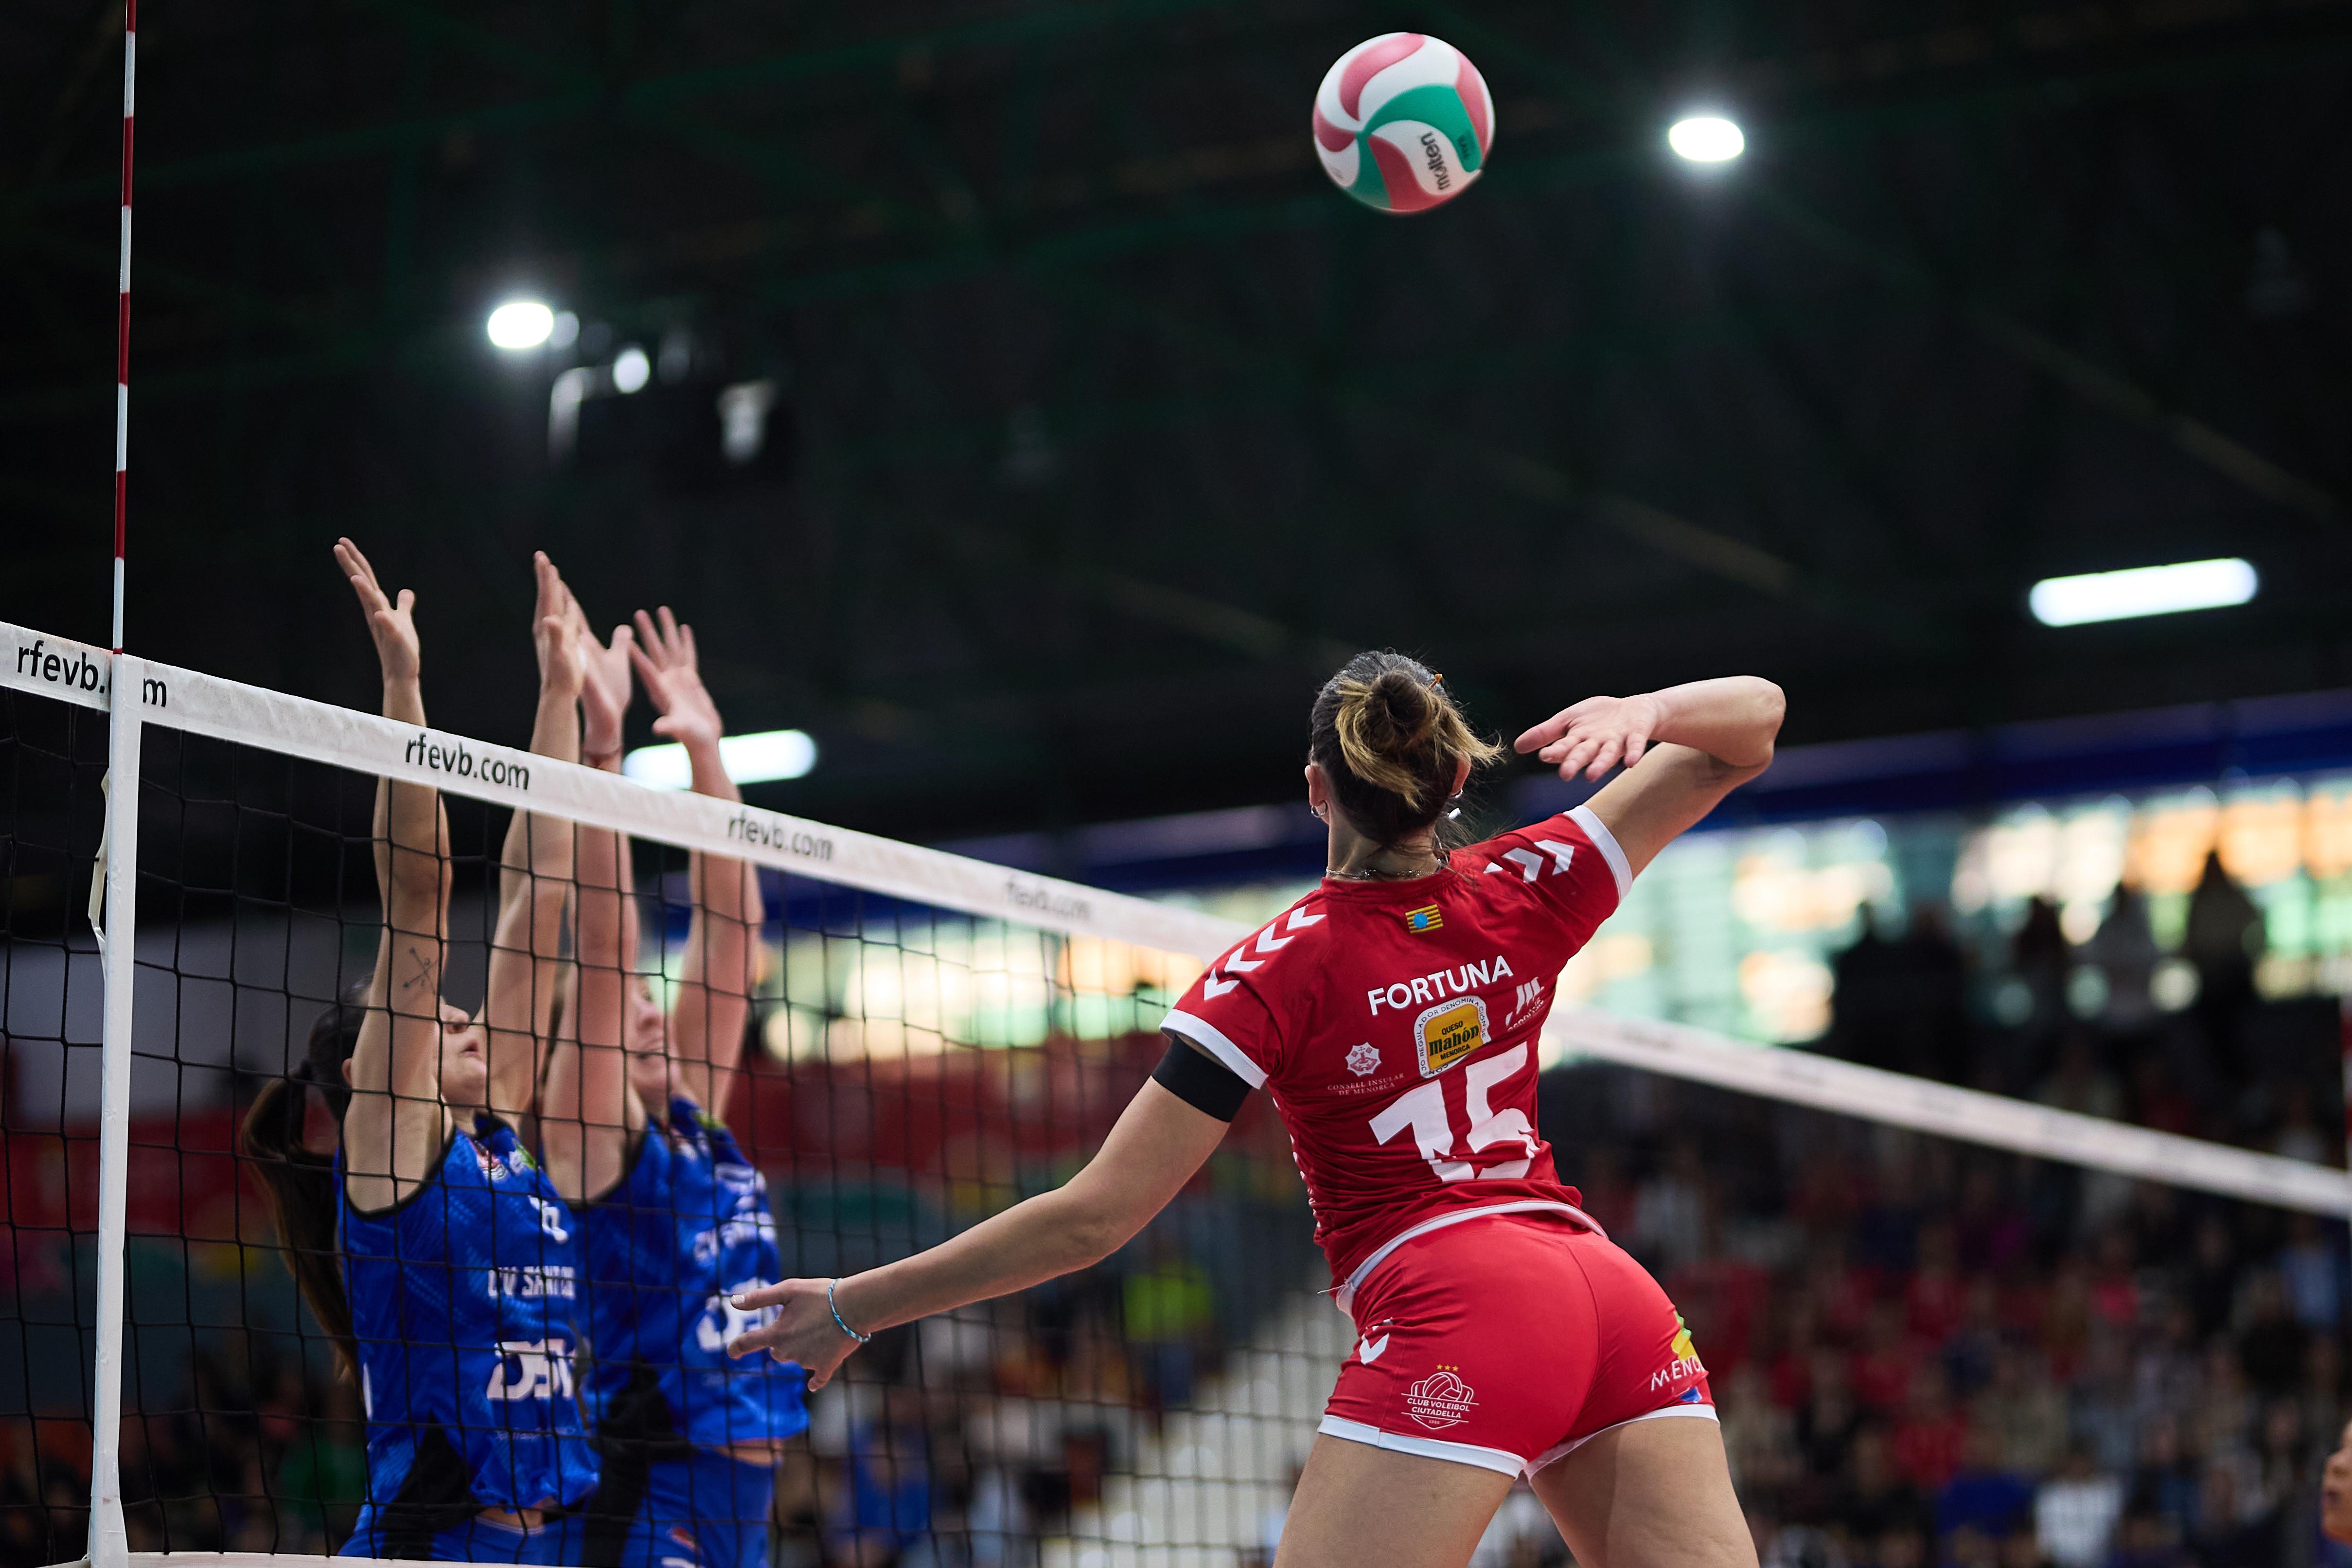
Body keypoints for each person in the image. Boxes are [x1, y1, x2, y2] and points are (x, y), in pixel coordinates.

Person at [727, 653, 1784, 1568]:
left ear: (1317, 788)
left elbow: (1093, 1219)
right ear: (1458, 777)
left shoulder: (1271, 971)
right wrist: (1648, 710)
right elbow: (1754, 724)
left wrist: (854, 1305)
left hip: (1461, 1301)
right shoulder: (1528, 878)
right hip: (1609, 1292)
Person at [238, 543, 596, 1561]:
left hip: (553, 1540)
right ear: (368, 1076)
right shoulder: (392, 1148)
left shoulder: (499, 1131)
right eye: (434, 1016)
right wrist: (404, 688)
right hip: (440, 1545)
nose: (465, 1014)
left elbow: (541, 892)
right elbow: (421, 896)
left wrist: (559, 694)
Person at [538, 601, 805, 1568]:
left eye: (657, 1002)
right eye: (629, 1008)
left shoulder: (694, 1120)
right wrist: (603, 749)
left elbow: (733, 933)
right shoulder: (588, 1139)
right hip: (650, 1495)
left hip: (743, 1506)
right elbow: (607, 951)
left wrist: (705, 751)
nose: (651, 1012)